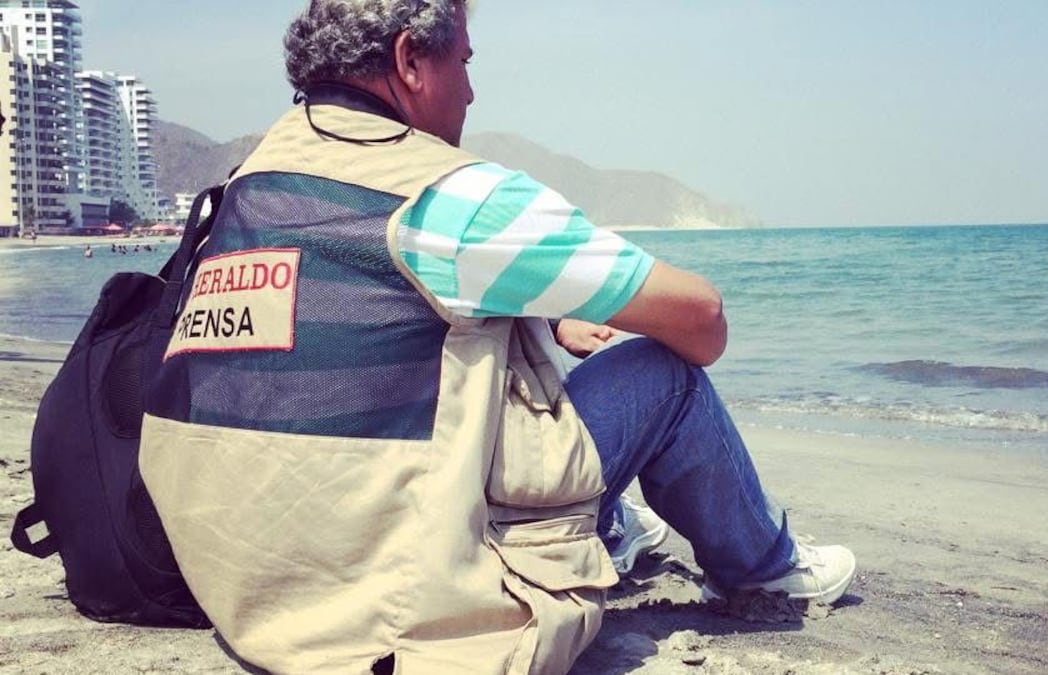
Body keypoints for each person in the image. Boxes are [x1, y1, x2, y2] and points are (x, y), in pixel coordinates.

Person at [138, 2, 855, 674]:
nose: (472, 92)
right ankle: (765, 567)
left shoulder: (249, 184)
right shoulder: (453, 197)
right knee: (664, 376)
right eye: (465, 62)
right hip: (405, 598)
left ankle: (612, 527)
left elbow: (362, 324)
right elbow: (702, 319)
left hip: (257, 578)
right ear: (410, 60)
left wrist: (543, 315)